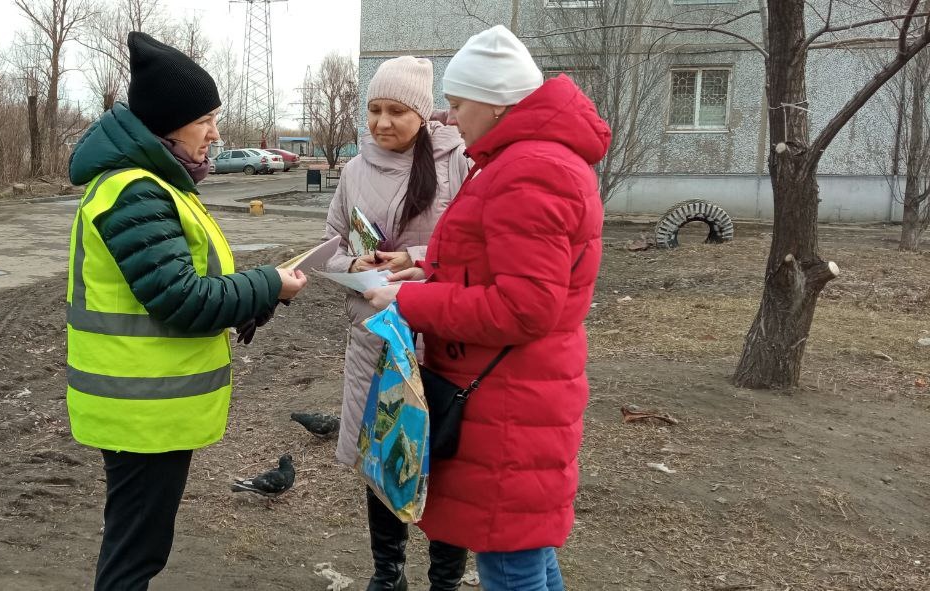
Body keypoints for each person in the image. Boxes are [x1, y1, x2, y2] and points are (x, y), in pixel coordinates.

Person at [364, 25, 610, 591]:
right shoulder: (525, 159)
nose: (448, 118)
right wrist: (426, 267)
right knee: (527, 552)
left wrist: (408, 299)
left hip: (508, 402)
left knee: (510, 560)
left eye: (455, 104)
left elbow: (525, 306)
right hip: (517, 390)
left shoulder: (530, 169)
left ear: (496, 103)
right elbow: (508, 269)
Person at [65, 31, 308, 591]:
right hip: (140, 407)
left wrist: (257, 298)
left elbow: (188, 287)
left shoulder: (157, 185)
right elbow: (180, 299)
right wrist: (267, 282)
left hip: (148, 404)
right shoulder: (135, 191)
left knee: (139, 545)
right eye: (206, 120)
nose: (216, 133)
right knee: (134, 555)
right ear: (168, 125)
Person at [324, 56, 471, 591]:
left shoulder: (458, 164)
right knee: (383, 457)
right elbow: (332, 244)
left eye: (396, 111)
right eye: (374, 110)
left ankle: (445, 579)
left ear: (422, 113)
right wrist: (351, 266)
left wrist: (413, 257)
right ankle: (388, 573)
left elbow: (475, 247)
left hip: (442, 339)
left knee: (447, 461)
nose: (382, 123)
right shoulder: (354, 170)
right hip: (376, 337)